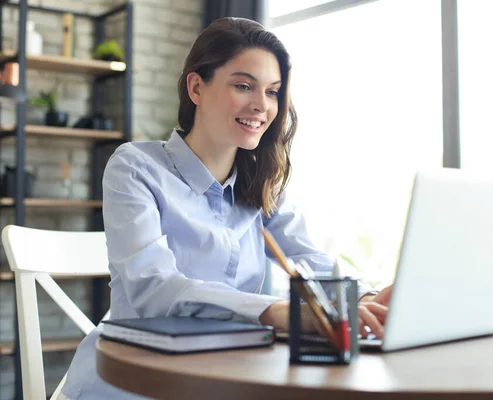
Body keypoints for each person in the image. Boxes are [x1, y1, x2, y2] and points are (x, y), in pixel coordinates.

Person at [60, 17, 392, 399]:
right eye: (243, 86)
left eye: (272, 91)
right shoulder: (135, 166)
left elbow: (309, 259)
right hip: (133, 381)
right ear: (197, 87)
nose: (261, 106)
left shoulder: (259, 183)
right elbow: (154, 287)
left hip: (224, 377)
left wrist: (364, 299)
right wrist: (275, 311)